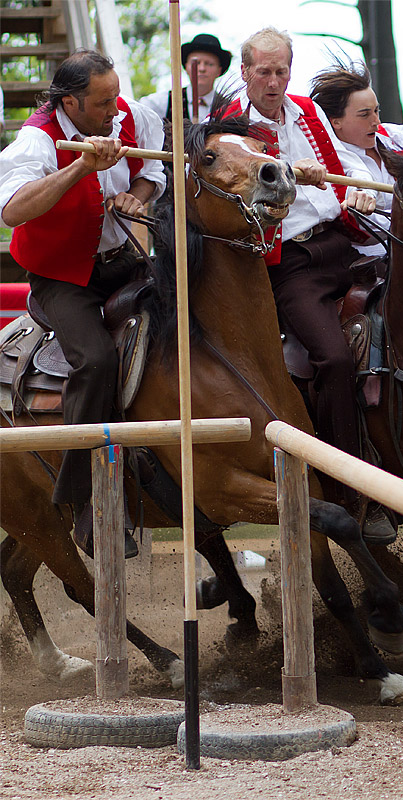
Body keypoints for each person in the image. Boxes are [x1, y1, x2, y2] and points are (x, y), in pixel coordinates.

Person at [222, 28, 394, 543]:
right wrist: (289, 174)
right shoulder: (231, 128)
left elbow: (339, 175)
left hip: (344, 243)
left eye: (281, 71)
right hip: (289, 262)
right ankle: (350, 490)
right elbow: (242, 203)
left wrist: (352, 198)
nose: (274, 82)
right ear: (245, 71)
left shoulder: (307, 111)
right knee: (336, 360)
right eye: (263, 72)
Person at [0, 50, 166, 559]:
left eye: (116, 95)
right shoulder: (35, 139)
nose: (115, 109)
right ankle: (83, 504)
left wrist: (136, 195)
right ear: (69, 101)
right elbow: (12, 210)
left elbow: (152, 172)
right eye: (102, 102)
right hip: (62, 278)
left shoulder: (130, 115)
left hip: (124, 260)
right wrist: (79, 170)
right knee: (95, 360)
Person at [309, 61, 403, 257]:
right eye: (365, 115)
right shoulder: (323, 163)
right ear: (335, 122)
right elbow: (362, 230)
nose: (376, 122)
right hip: (362, 261)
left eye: (377, 111)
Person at [141, 33, 232, 123]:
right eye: (196, 63)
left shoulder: (229, 108)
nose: (202, 69)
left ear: (219, 70)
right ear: (186, 66)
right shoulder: (163, 102)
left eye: (209, 64)